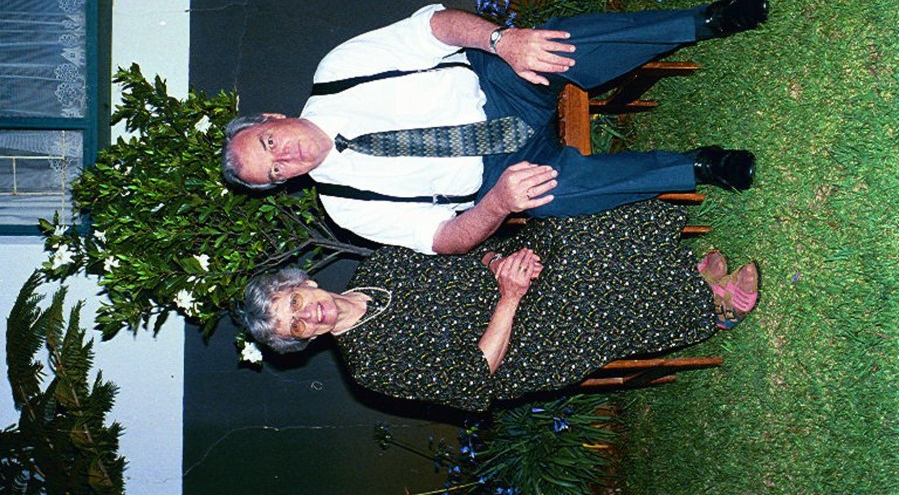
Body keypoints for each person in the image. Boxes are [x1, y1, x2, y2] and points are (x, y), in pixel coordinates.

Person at [222, 0, 768, 255]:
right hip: (495, 173)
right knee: (552, 196)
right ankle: (699, 167)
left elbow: (433, 28)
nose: (285, 157)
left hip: (494, 87)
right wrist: (499, 204)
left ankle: (705, 21)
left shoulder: (338, 72)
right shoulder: (347, 207)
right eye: (275, 171)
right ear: (283, 183)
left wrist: (502, 41)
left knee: (552, 46)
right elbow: (442, 238)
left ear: (272, 117)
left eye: (269, 143)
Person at [238, 199, 759, 412]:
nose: (308, 314)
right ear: (304, 342)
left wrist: (498, 263)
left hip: (511, 277)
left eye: (295, 302)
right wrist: (510, 298)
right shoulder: (371, 366)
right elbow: (476, 378)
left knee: (566, 226)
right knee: (579, 289)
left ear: (303, 282)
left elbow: (462, 247)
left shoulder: (382, 266)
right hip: (520, 347)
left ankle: (680, 272)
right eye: (295, 326)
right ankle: (711, 308)